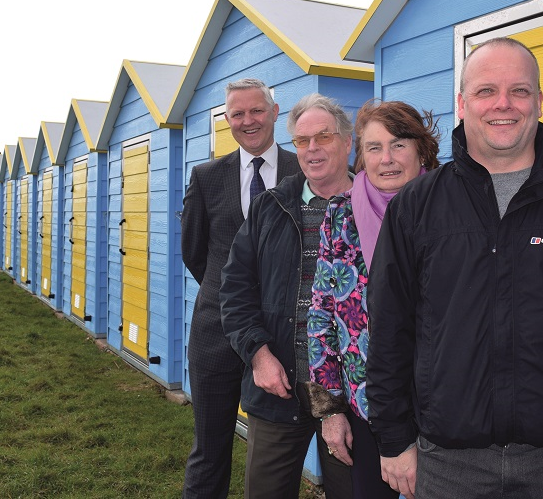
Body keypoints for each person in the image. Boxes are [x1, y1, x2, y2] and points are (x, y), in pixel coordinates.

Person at [366, 37, 543, 499]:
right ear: (462, 103)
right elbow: (388, 330)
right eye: (485, 91)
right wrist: (394, 437)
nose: (503, 104)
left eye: (519, 91)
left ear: (539, 102)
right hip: (448, 463)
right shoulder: (417, 207)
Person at [220, 93, 355, 499]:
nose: (312, 149)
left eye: (324, 137)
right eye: (301, 141)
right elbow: (235, 290)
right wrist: (259, 356)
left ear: (347, 141)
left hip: (354, 396)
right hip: (278, 389)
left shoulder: (371, 206)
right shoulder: (270, 208)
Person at [306, 100, 440, 499]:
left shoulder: (451, 209)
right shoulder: (340, 215)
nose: (387, 159)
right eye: (374, 147)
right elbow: (322, 313)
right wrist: (330, 411)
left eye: (399, 145)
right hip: (368, 405)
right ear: (360, 154)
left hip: (445, 405)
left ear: (422, 150)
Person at [181, 78, 301, 499]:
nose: (248, 121)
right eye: (237, 114)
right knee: (209, 451)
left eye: (256, 111)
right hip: (215, 335)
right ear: (227, 120)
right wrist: (227, 294)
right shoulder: (206, 176)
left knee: (273, 452)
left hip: (282, 340)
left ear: (274, 111)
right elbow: (195, 252)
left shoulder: (302, 171)